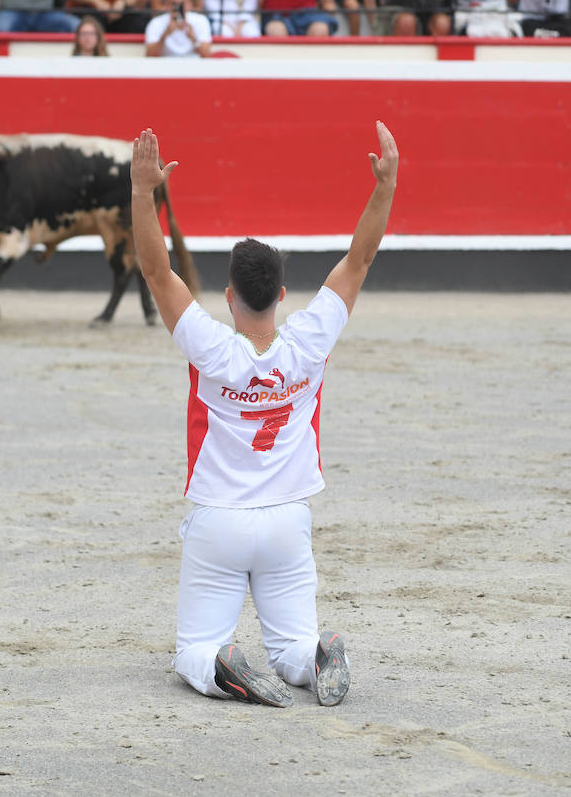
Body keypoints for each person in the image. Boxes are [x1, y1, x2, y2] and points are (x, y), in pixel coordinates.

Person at [127, 119, 399, 710]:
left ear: (229, 296)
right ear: (281, 295)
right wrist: (385, 187)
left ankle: (221, 663)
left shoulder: (211, 348)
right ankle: (314, 656)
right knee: (293, 647)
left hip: (220, 520)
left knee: (193, 651)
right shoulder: (307, 343)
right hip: (286, 521)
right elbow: (359, 260)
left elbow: (155, 271)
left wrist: (142, 191)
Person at [144, 0, 211, 53]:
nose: (178, 7)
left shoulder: (201, 20)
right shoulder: (156, 22)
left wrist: (192, 37)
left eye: (182, 3)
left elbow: (206, 55)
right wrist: (166, 33)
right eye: (174, 3)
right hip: (166, 63)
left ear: (190, 4)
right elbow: (150, 54)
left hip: (193, 63)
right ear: (166, 4)